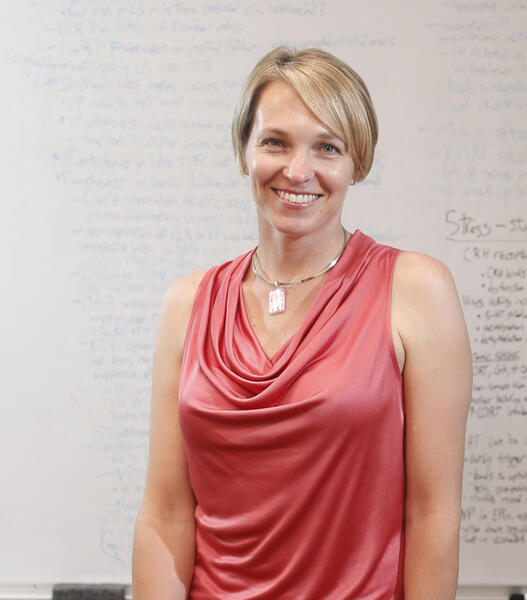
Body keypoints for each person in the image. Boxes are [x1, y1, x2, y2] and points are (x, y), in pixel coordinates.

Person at [132, 47, 472, 599]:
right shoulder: (187, 303)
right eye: (275, 142)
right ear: (244, 152)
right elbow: (166, 514)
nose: (297, 171)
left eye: (327, 148)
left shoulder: (416, 290)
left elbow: (433, 513)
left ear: (357, 163)